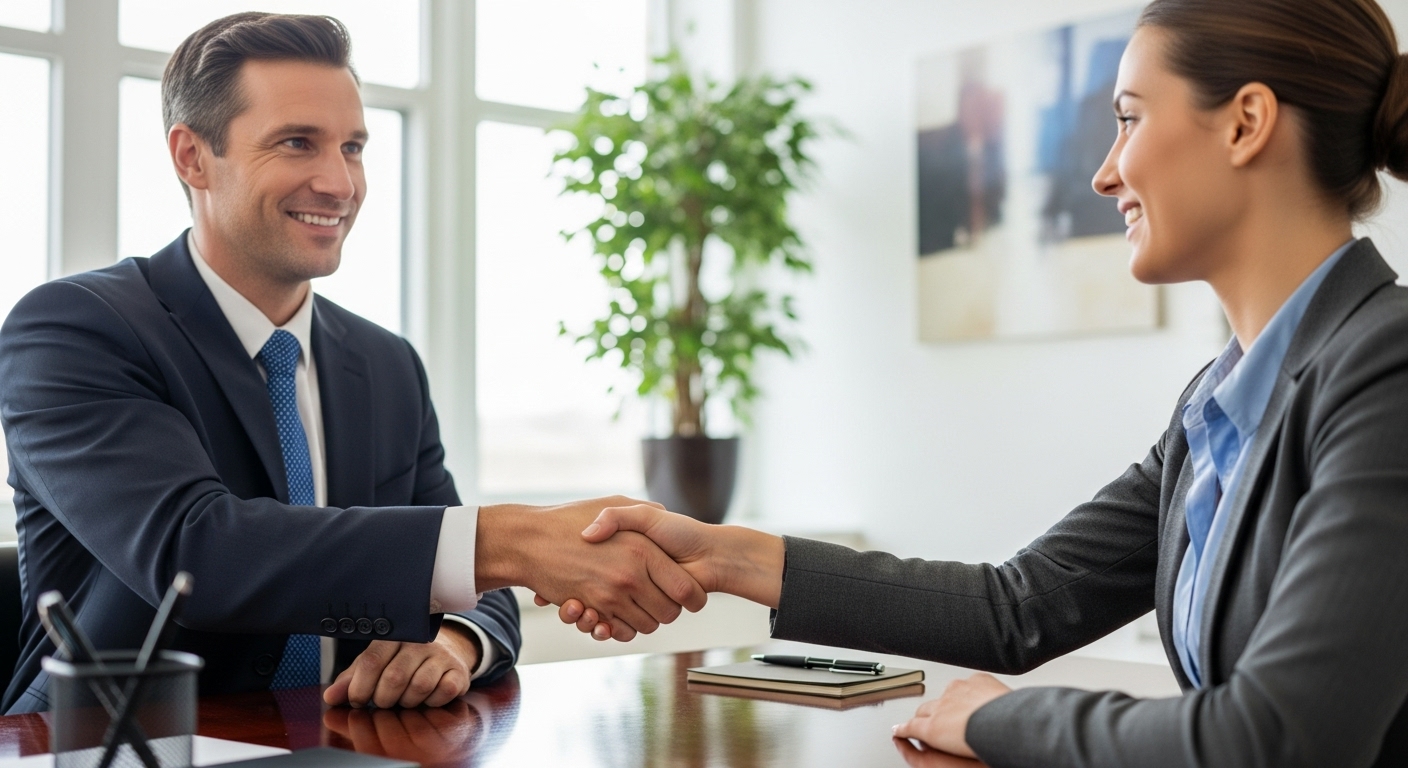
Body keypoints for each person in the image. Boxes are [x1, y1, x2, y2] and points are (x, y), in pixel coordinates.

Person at [547, 0, 1408, 765]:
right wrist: (722, 552)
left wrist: (1005, 720)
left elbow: (1278, 737)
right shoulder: (1214, 407)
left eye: (1129, 120)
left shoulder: (1388, 368)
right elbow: (1017, 605)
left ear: (1246, 121)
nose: (1105, 172)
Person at [0, 12, 702, 714]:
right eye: (297, 143)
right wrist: (513, 539)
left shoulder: (386, 365)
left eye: (354, 147)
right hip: (113, 746)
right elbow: (200, 554)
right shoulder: (75, 329)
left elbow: (477, 587)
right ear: (191, 157)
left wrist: (455, 639)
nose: (339, 183)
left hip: (343, 743)